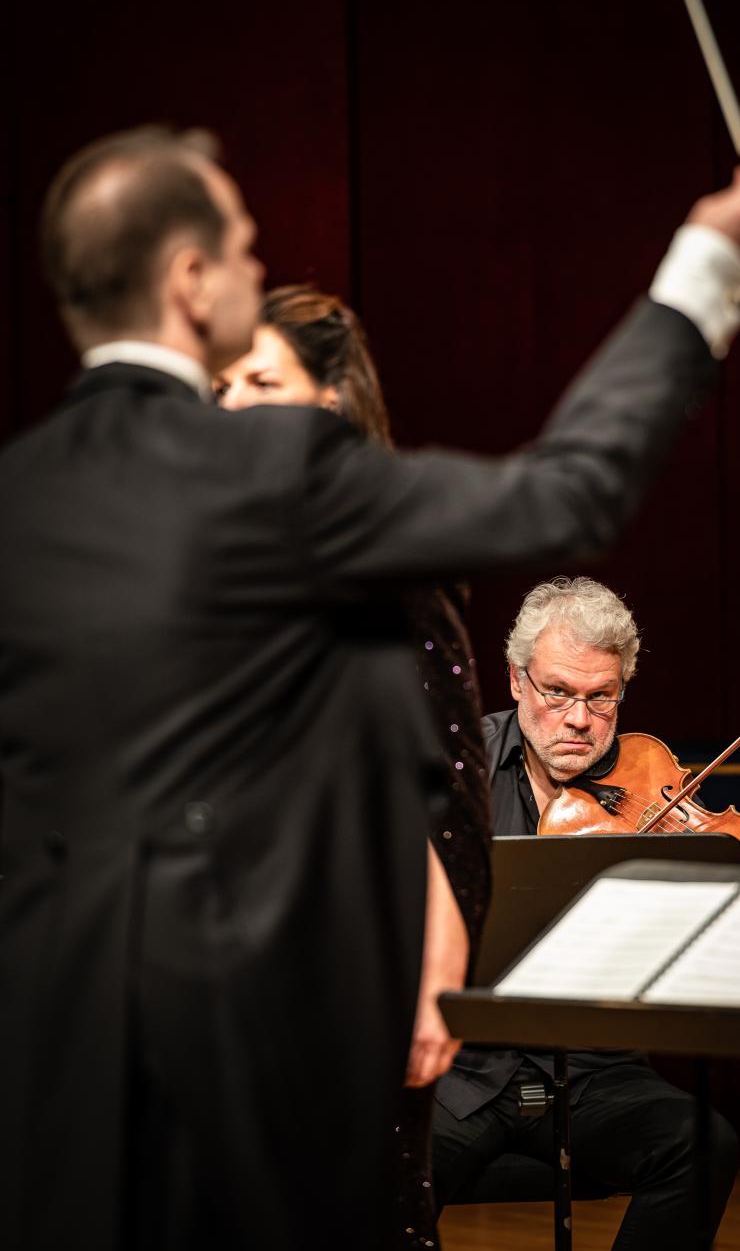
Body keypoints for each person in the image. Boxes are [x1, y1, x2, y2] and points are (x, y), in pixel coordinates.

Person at [0, 124, 740, 1251]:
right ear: (188, 279)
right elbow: (566, 493)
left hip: (46, 1031)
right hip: (250, 1041)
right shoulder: (277, 467)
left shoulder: (20, 489)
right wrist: (710, 263)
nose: (256, 266)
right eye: (243, 246)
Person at [215, 284, 491, 1250]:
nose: (233, 402)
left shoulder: (389, 550)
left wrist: (435, 973)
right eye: (223, 384)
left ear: (331, 399)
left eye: (262, 381)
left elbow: (451, 794)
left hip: (357, 951)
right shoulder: (216, 554)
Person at [432, 576, 740, 1248]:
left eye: (602, 696)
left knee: (702, 1145)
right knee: (374, 1172)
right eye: (557, 692)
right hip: (464, 1069)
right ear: (516, 681)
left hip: (596, 1070)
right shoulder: (456, 773)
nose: (579, 719)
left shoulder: (647, 785)